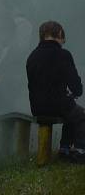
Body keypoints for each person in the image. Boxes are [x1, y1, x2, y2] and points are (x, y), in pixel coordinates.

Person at [26, 20, 85, 160]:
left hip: (37, 107)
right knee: (81, 115)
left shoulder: (32, 57)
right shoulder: (63, 55)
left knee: (71, 113)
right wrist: (75, 93)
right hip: (57, 105)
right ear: (59, 34)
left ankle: (64, 149)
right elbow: (76, 86)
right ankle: (80, 151)